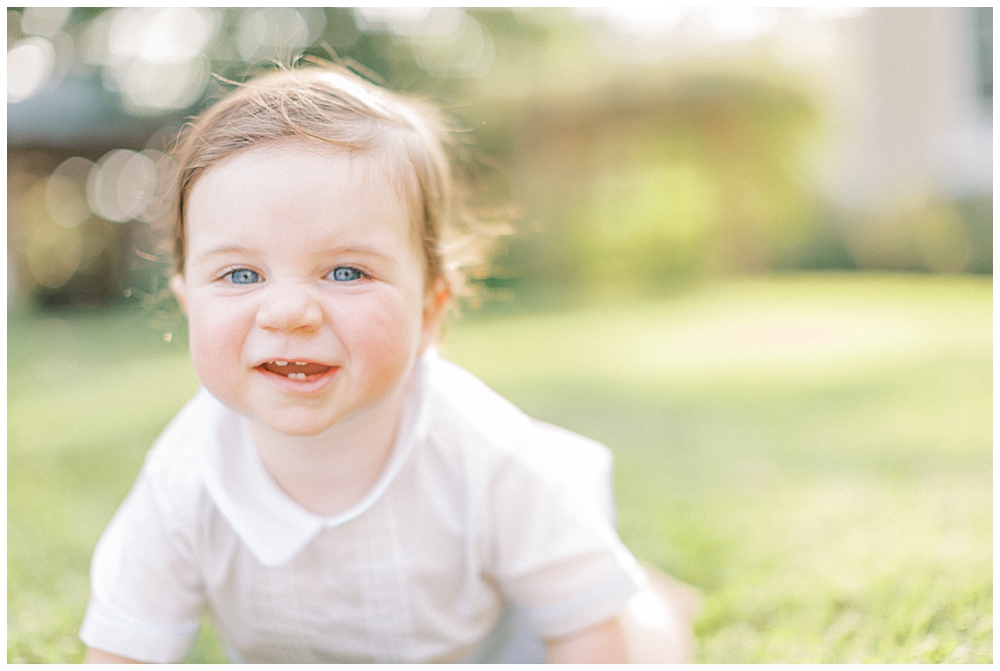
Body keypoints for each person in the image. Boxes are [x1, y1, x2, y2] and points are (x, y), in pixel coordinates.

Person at [79, 65, 699, 664]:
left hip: (502, 653)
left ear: (431, 309)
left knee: (643, 640)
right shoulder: (185, 478)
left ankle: (654, 600)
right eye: (241, 274)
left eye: (346, 271)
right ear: (188, 301)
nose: (289, 311)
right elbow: (122, 650)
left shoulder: (489, 455)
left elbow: (586, 631)